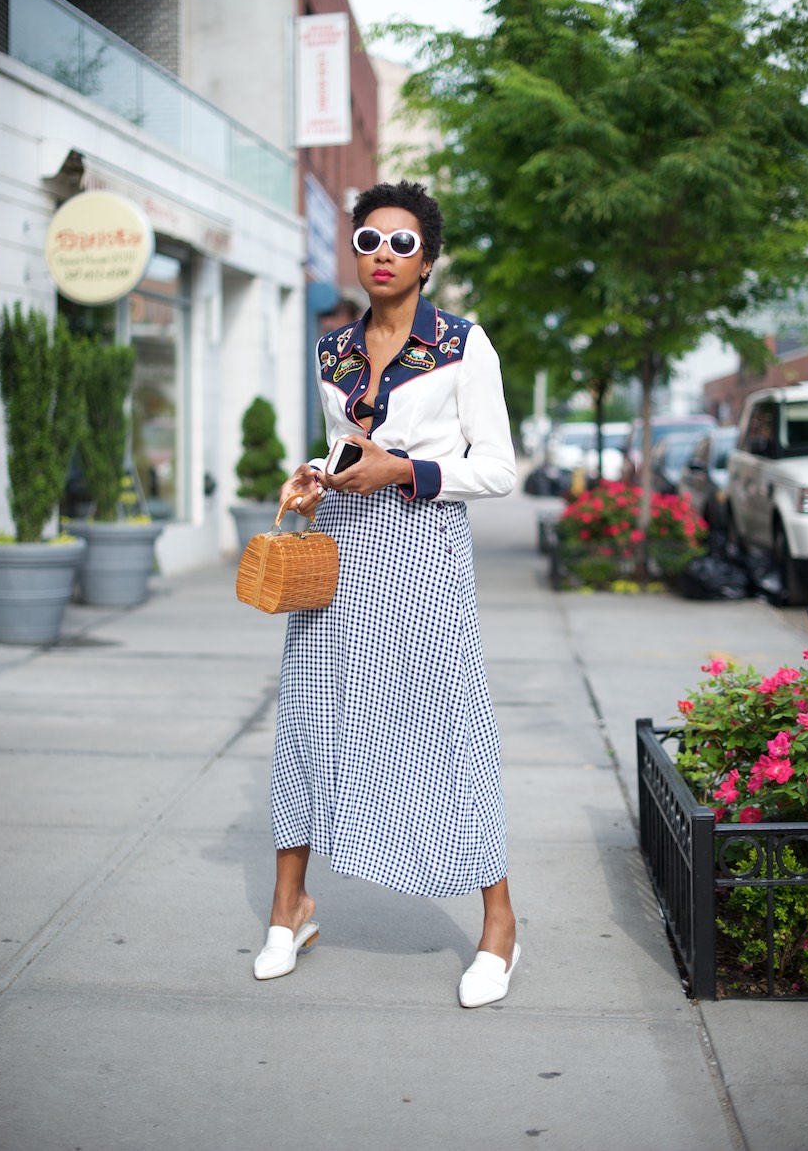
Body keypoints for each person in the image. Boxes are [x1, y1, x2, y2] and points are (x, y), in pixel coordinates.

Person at [253, 180, 519, 1008]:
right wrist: (315, 476)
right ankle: (288, 907)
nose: (382, 255)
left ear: (428, 261)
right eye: (369, 239)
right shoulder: (332, 349)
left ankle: (500, 923)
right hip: (345, 549)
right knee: (308, 713)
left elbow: (500, 470)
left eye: (401, 244)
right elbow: (344, 449)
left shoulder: (464, 346)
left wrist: (405, 467)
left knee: (449, 720)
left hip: (425, 552)